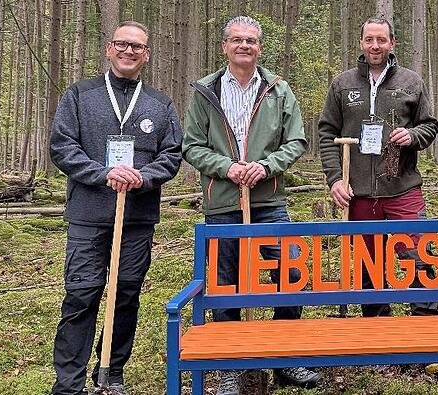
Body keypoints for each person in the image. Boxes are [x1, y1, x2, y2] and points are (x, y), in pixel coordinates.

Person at [181, 16, 319, 394]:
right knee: (225, 283)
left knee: (292, 273)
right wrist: (226, 167)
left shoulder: (278, 90)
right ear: (224, 46)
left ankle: (284, 356)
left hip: (268, 200)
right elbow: (192, 145)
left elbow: (296, 140)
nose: (244, 45)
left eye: (251, 40)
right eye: (237, 40)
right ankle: (231, 364)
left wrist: (266, 166)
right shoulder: (206, 91)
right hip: (223, 202)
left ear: (260, 47)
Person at [49, 21, 182, 395]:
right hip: (88, 216)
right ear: (109, 49)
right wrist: (104, 173)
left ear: (146, 55)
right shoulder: (80, 95)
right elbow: (62, 146)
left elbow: (172, 155)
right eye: (122, 44)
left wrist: (142, 177)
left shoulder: (160, 104)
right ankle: (69, 384)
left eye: (137, 46)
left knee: (125, 295)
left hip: (137, 219)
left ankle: (111, 373)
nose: (129, 51)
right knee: (82, 295)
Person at [318, 17, 438, 317]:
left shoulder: (411, 82)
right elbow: (327, 133)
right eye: (369, 39)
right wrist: (336, 179)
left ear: (392, 43)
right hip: (358, 191)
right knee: (368, 262)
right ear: (361, 43)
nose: (375, 46)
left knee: (418, 253)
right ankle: (376, 324)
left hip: (402, 187)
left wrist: (412, 136)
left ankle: (426, 322)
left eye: (381, 40)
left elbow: (429, 126)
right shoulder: (342, 84)